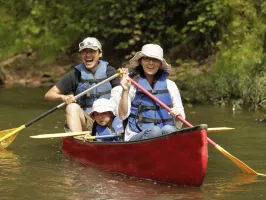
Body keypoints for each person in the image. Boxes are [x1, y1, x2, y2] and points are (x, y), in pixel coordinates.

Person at [110, 44, 185, 141]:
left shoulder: (170, 85)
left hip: (163, 135)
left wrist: (178, 114)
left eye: (155, 60)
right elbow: (122, 115)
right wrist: (125, 90)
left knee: (169, 129)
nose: (151, 63)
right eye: (147, 59)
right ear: (140, 61)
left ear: (160, 64)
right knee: (155, 131)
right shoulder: (131, 85)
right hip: (136, 135)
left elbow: (181, 119)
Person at [44, 37, 120, 132]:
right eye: (84, 52)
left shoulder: (110, 72)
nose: (88, 55)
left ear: (100, 53)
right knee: (71, 107)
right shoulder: (75, 75)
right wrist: (63, 97)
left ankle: (117, 133)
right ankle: (79, 139)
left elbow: (121, 94)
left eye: (92, 51)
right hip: (88, 122)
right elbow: (48, 95)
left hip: (108, 120)